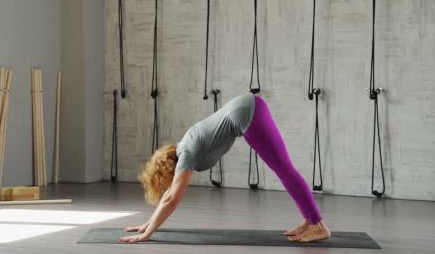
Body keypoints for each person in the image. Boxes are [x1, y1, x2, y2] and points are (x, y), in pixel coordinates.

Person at [119, 93, 331, 243]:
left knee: (285, 170)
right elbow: (168, 195)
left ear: (167, 170)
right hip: (249, 106)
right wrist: (148, 223)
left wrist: (148, 234)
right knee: (285, 169)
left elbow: (172, 199)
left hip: (248, 115)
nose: (167, 183)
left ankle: (318, 226)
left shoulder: (187, 155)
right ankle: (309, 219)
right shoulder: (184, 146)